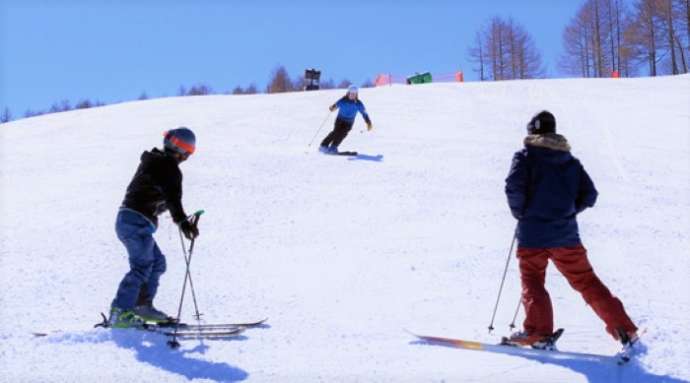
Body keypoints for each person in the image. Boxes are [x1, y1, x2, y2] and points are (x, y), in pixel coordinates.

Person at [504, 111, 638, 349]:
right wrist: (566, 212)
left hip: (533, 235)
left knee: (533, 280)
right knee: (586, 281)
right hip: (565, 235)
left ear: (532, 131)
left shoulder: (525, 157)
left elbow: (513, 187)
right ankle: (625, 329)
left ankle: (538, 333)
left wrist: (521, 213)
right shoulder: (570, 161)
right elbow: (590, 194)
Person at [109, 127, 199, 328]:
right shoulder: (168, 167)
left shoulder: (155, 162)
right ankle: (120, 311)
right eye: (188, 152)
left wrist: (181, 219)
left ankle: (142, 306)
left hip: (132, 221)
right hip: (135, 221)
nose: (187, 157)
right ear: (180, 149)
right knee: (142, 266)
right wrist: (183, 222)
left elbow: (162, 197)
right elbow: (173, 199)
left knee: (157, 263)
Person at [320, 85, 372, 153]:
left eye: (354, 94)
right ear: (348, 93)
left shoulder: (358, 103)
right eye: (351, 93)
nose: (352, 95)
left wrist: (368, 122)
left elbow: (364, 113)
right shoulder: (343, 100)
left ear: (356, 94)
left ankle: (333, 147)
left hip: (349, 122)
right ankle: (323, 145)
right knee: (336, 132)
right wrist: (332, 107)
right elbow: (335, 105)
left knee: (343, 134)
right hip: (340, 120)